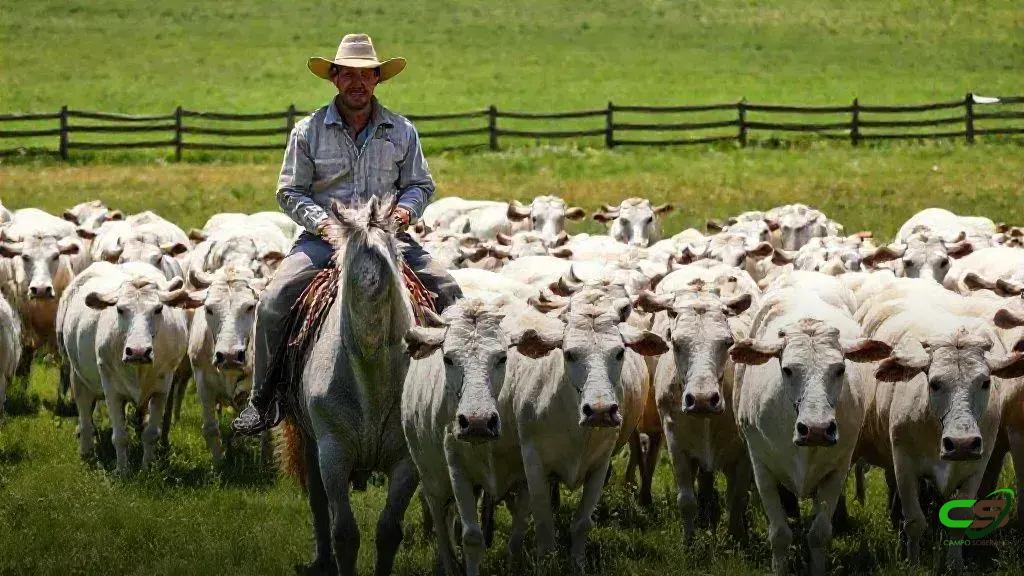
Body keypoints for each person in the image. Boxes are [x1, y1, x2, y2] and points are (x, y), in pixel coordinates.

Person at [232, 33, 462, 435]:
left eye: (366, 75)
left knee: (449, 290)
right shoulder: (308, 132)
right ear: (334, 78)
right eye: (349, 75)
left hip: (389, 238)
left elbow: (420, 184)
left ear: (377, 80)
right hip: (325, 240)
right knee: (273, 300)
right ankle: (263, 400)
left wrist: (406, 211)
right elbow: (289, 190)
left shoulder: (401, 131)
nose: (358, 83)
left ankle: (454, 393)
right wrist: (322, 223)